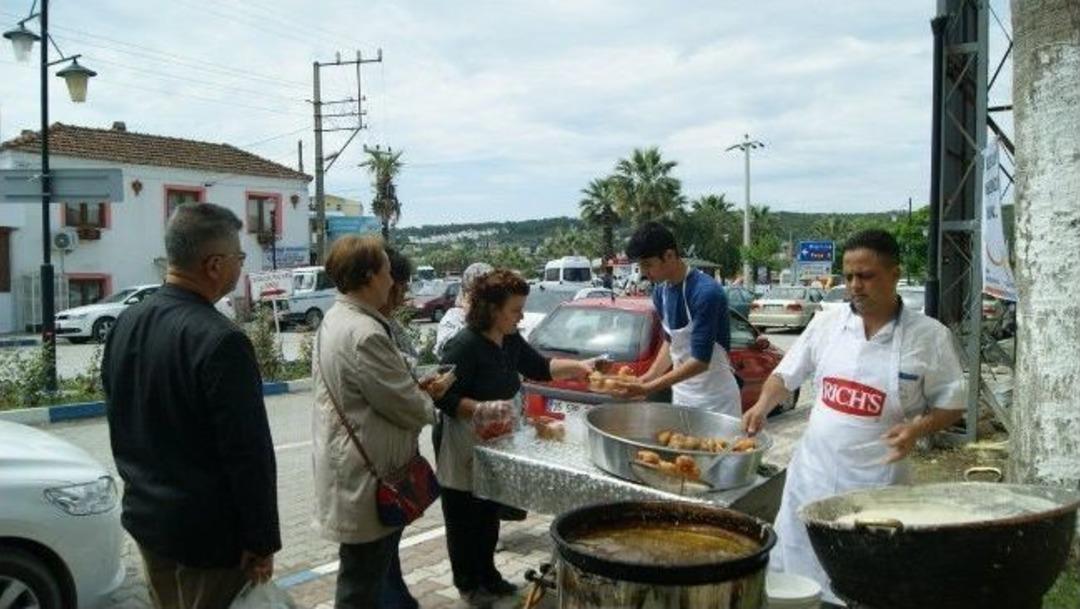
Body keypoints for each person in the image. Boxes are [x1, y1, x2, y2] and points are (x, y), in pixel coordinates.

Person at [742, 229, 966, 606]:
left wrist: (918, 429)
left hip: (875, 489)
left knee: (863, 585)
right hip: (810, 481)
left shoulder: (929, 337)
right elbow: (785, 376)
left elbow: (952, 402)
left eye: (866, 276)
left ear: (895, 274)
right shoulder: (826, 325)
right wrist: (763, 405)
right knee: (794, 583)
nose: (854, 286)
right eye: (847, 276)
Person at [103, 203, 279, 609]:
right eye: (239, 257)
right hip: (210, 541)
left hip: (149, 523)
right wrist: (262, 540)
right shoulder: (221, 340)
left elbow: (120, 419)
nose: (240, 267)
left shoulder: (128, 322)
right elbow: (247, 453)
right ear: (214, 264)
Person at [435, 269, 593, 606]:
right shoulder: (464, 346)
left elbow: (540, 367)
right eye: (515, 310)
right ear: (493, 310)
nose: (520, 316)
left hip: (497, 442)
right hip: (463, 443)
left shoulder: (510, 341)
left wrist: (582, 367)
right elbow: (441, 396)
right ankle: (468, 584)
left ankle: (489, 575)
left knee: (488, 512)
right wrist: (479, 409)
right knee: (464, 519)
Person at [311, 235, 445, 609]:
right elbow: (405, 405)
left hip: (355, 470)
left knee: (365, 577)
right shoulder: (365, 332)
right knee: (360, 588)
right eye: (387, 271)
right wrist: (428, 400)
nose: (393, 281)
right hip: (367, 479)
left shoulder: (339, 318)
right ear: (370, 276)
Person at [621, 221, 742, 416]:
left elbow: (700, 361)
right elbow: (671, 344)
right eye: (640, 266)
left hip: (717, 401)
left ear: (669, 255)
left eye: (648, 265)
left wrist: (649, 388)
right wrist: (647, 377)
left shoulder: (706, 293)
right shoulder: (661, 292)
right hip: (682, 396)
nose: (643, 273)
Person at [376, 246, 423, 609]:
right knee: (374, 557)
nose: (404, 295)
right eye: (400, 285)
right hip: (378, 464)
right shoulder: (367, 330)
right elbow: (398, 392)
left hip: (395, 455)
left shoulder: (386, 323)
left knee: (389, 541)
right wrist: (427, 399)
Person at [434, 261, 493, 358]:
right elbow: (447, 352)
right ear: (466, 295)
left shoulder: (500, 317)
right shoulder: (454, 317)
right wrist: (472, 319)